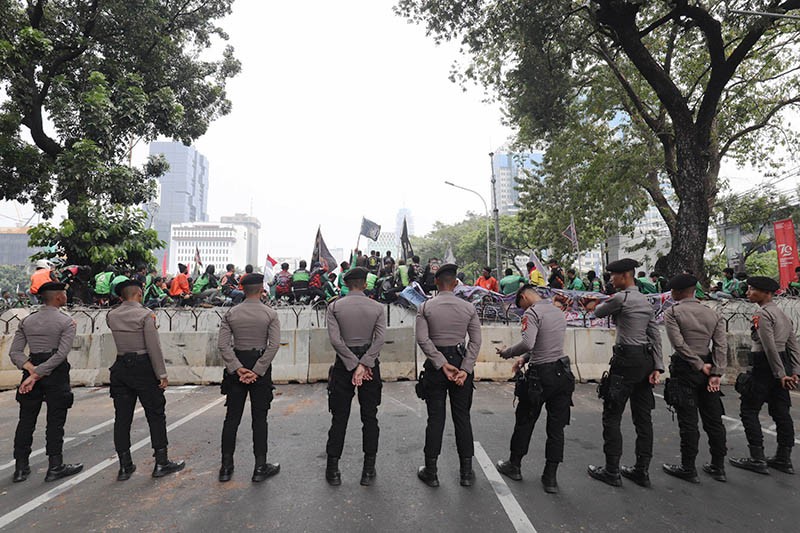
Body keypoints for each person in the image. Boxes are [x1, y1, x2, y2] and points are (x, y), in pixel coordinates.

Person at [586, 258, 663, 488]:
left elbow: (597, 312)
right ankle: (642, 470)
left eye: (613, 276)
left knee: (612, 414)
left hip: (625, 360)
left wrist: (594, 304)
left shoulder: (621, 298)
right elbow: (655, 334)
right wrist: (658, 366)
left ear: (625, 276)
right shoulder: (645, 301)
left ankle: (611, 471)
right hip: (645, 360)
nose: (611, 280)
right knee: (643, 418)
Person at [495, 285, 574, 493]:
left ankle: (515, 465)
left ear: (523, 297)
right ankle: (550, 478)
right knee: (556, 429)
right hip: (562, 373)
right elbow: (546, 344)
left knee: (525, 421)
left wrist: (507, 353)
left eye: (519, 304)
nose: (521, 308)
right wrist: (524, 359)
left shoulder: (532, 312)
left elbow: (529, 342)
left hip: (540, 377)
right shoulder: (557, 312)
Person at [106, 279, 185, 481]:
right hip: (143, 366)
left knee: (122, 418)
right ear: (140, 293)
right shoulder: (145, 315)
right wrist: (162, 374)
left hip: (121, 365)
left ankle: (125, 466)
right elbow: (153, 347)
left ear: (121, 296)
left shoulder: (111, 315)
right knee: (155, 414)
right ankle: (161, 462)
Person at [8, 281, 83, 483]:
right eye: (64, 294)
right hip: (55, 373)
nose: (66, 297)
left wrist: (31, 371)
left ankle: (21, 468)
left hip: (32, 367)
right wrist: (37, 373)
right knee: (55, 421)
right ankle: (55, 467)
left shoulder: (27, 321)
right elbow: (60, 354)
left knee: (26, 420)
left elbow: (14, 352)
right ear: (58, 297)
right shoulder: (66, 322)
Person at [415, 264, 482, 487]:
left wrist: (441, 363)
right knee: (462, 417)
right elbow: (475, 341)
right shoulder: (468, 308)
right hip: (461, 361)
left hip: (436, 367)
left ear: (436, 282)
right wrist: (465, 369)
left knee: (436, 418)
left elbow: (423, 340)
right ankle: (466, 472)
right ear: (455, 284)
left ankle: (431, 472)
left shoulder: (425, 307)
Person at [729, 276, 800, 475]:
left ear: (766, 293)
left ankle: (757, 458)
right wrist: (793, 372)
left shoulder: (762, 314)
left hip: (765, 366)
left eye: (752, 289)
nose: (747, 293)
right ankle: (783, 458)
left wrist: (779, 374)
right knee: (781, 411)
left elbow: (769, 347)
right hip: (782, 365)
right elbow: (793, 346)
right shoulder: (784, 315)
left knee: (749, 409)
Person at [661, 274, 728, 483]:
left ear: (677, 292)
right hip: (709, 368)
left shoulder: (672, 312)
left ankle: (688, 467)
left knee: (688, 421)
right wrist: (716, 372)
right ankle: (718, 466)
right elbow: (720, 345)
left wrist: (699, 365)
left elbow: (679, 344)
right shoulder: (712, 314)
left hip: (686, 368)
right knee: (714, 420)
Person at [324, 267, 387, 486]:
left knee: (339, 417)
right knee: (370, 416)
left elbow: (335, 340)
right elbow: (380, 340)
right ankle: (368, 471)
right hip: (369, 365)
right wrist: (364, 364)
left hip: (344, 365)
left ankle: (333, 470)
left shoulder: (334, 307)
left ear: (346, 284)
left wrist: (352, 365)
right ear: (365, 284)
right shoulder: (378, 308)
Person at [217, 273, 281, 483]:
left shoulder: (231, 314)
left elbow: (224, 345)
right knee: (259, 419)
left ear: (242, 289)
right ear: (262, 288)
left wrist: (237, 368)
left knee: (232, 418)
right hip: (259, 365)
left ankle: (226, 467)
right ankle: (260, 467)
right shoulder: (270, 314)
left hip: (237, 366)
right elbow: (273, 345)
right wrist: (258, 370)